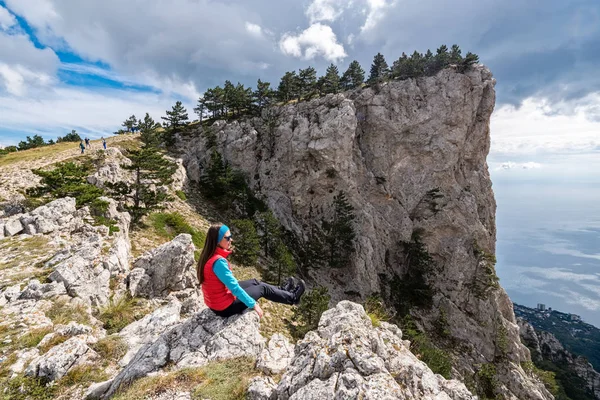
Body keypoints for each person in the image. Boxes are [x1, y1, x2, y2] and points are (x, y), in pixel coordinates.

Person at [198, 224, 305, 318]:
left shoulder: (209, 255)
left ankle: (282, 291)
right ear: (218, 241)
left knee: (255, 282)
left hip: (216, 302)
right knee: (263, 288)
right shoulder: (219, 262)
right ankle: (293, 298)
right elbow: (234, 288)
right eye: (228, 238)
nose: (231, 240)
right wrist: (253, 304)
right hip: (224, 308)